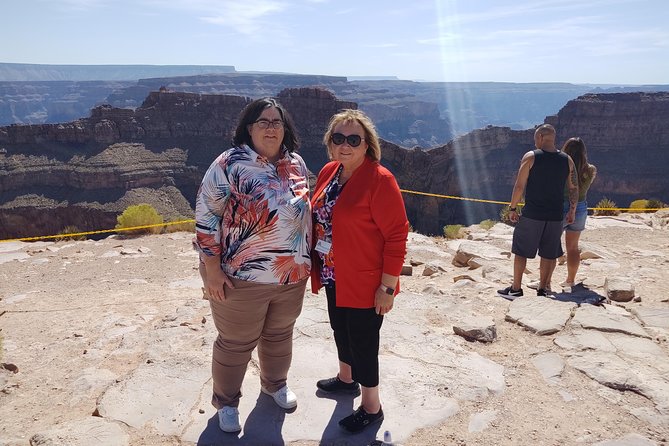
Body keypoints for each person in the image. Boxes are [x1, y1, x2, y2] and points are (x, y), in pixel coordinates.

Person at [194, 97, 312, 433]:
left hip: (291, 274)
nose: (272, 128)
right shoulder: (230, 163)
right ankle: (226, 402)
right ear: (249, 127)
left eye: (277, 122)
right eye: (264, 121)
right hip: (240, 275)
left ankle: (274, 385)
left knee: (279, 335)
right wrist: (211, 269)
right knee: (235, 342)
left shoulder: (297, 163)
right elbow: (206, 216)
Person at [310, 109, 409, 434]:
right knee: (341, 330)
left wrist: (388, 287)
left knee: (364, 342)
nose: (345, 145)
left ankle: (371, 407)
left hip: (366, 281)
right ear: (330, 142)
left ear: (368, 144)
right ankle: (345, 379)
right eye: (338, 138)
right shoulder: (329, 172)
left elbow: (396, 235)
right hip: (333, 274)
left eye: (354, 139)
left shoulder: (380, 180)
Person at [498, 124, 578, 299]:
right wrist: (572, 211)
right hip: (556, 215)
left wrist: (512, 208)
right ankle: (543, 289)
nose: (535, 142)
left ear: (541, 137)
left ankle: (516, 289)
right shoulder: (567, 160)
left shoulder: (531, 157)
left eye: (535, 138)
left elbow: (519, 186)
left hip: (532, 214)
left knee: (521, 251)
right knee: (549, 253)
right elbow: (573, 188)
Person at [560, 137, 597, 291]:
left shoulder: (560, 167)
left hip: (560, 207)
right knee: (573, 248)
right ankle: (570, 280)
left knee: (549, 244)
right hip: (581, 208)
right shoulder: (591, 170)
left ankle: (545, 281)